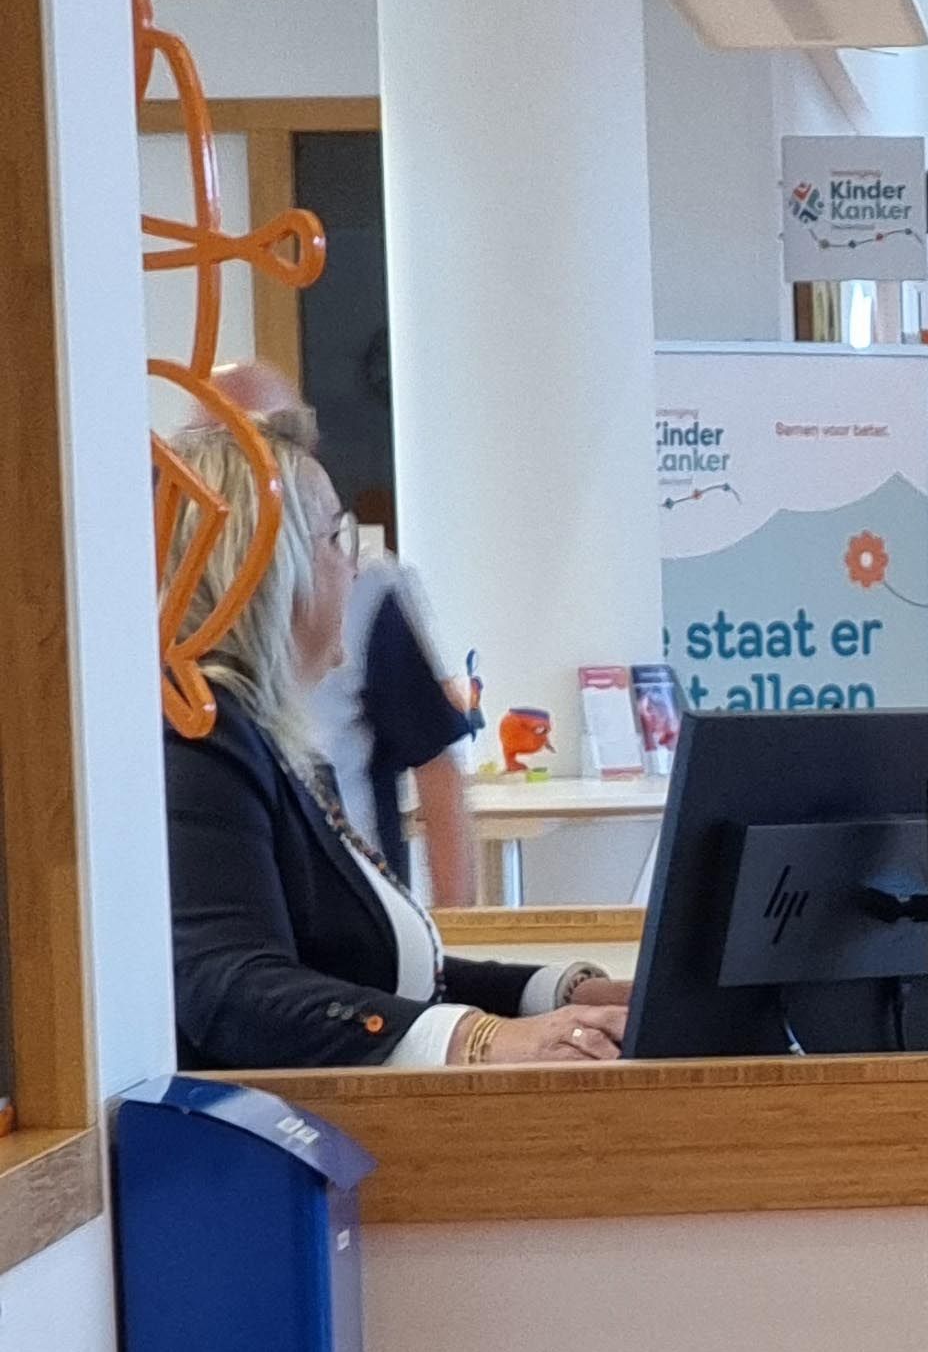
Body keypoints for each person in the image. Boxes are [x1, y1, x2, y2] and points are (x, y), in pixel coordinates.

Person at [162, 414, 629, 1070]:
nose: (355, 568)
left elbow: (380, 975)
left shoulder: (272, 742)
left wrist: (562, 993)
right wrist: (481, 1039)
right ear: (270, 566)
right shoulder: (200, 738)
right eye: (336, 538)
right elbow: (235, 992)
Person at [206, 359, 477, 909]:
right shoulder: (165, 597)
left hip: (357, 903)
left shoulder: (366, 585)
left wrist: (455, 930)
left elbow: (437, 766)